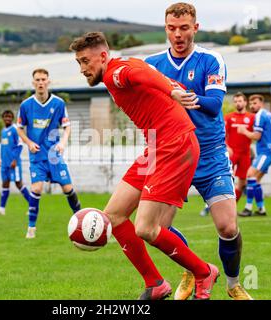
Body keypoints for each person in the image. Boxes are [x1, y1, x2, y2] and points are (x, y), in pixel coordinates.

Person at [70, 31, 219, 300]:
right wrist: (172, 88)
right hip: (156, 147)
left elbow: (142, 76)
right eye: (79, 63)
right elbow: (146, 72)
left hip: (175, 146)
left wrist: (172, 91)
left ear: (103, 56)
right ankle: (155, 284)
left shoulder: (117, 73)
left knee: (145, 228)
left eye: (85, 61)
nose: (82, 69)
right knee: (113, 216)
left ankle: (203, 272)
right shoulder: (122, 66)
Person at [145, 3, 252, 300]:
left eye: (183, 28)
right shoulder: (152, 64)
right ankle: (195, 270)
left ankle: (232, 284)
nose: (177, 34)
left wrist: (175, 96)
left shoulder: (210, 59)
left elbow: (215, 104)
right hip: (173, 155)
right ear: (165, 28)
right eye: (171, 28)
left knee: (228, 226)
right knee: (157, 229)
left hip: (210, 154)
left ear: (195, 27)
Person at [17, 68, 81, 239]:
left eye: (43, 79)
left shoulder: (58, 103)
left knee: (68, 188)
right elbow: (20, 129)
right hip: (37, 157)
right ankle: (31, 228)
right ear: (33, 83)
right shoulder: (26, 105)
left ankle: (82, 221)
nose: (40, 82)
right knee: (36, 188)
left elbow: (67, 127)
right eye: (37, 80)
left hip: (54, 155)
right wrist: (29, 142)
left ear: (48, 82)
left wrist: (62, 142)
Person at [238, 94, 271, 217]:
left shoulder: (259, 115)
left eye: (255, 103)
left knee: (250, 174)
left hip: (265, 151)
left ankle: (248, 208)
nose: (252, 106)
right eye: (251, 103)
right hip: (269, 151)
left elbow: (257, 136)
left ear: (261, 104)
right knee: (256, 180)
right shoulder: (269, 115)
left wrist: (244, 131)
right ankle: (261, 209)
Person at [0, 110, 31, 216]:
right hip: (5, 163)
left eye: (9, 117)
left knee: (19, 184)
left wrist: (14, 160)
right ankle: (2, 208)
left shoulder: (15, 129)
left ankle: (32, 206)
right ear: (3, 118)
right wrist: (0, 159)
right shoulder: (3, 131)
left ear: (12, 118)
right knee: (5, 184)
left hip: (13, 163)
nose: (7, 118)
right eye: (5, 116)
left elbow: (19, 145)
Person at [225, 92, 255, 203]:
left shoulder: (252, 118)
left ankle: (233, 205)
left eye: (240, 101)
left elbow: (256, 134)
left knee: (243, 182)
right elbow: (222, 135)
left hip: (245, 153)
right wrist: (226, 146)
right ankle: (209, 205)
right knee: (226, 179)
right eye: (236, 101)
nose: (238, 103)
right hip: (232, 152)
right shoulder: (228, 117)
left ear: (245, 102)